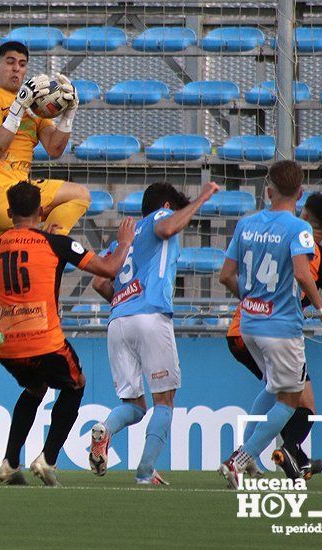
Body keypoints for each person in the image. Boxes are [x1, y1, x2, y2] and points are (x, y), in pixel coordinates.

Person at [0, 40, 92, 414]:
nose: (16, 69)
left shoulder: (35, 107)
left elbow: (54, 149)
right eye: (10, 62)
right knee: (79, 194)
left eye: (22, 64)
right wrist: (18, 104)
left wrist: (67, 116)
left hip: (19, 208)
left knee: (24, 304)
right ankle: (53, 247)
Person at [0, 181, 134, 486]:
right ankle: (48, 459)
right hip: (42, 339)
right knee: (75, 385)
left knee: (34, 389)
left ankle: (9, 463)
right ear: (41, 211)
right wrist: (124, 242)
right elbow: (108, 269)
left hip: (5, 344)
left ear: (8, 212)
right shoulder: (57, 243)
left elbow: (27, 257)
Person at [88, 180, 220, 485]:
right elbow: (166, 228)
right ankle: (145, 472)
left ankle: (104, 431)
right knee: (164, 402)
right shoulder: (159, 219)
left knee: (133, 407)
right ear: (166, 207)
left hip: (118, 321)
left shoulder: (125, 238)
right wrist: (201, 197)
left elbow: (98, 282)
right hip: (150, 316)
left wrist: (125, 300)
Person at [217, 160, 322, 489]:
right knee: (291, 400)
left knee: (272, 387)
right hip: (281, 327)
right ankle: (239, 459)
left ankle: (248, 457)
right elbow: (301, 272)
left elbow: (226, 275)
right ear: (299, 193)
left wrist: (253, 297)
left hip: (250, 325)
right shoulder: (298, 228)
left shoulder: (245, 224)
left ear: (268, 191)